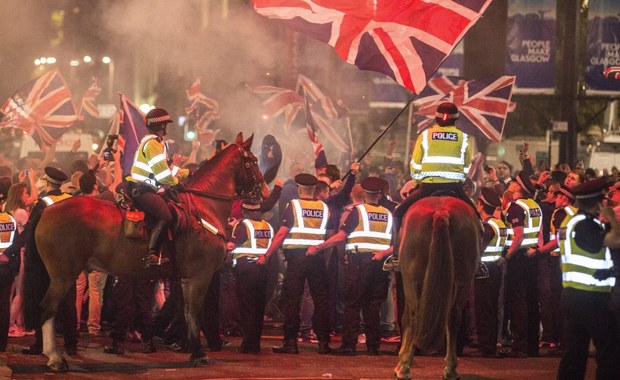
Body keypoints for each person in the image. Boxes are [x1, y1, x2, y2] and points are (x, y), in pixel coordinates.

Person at [308, 177, 392, 355]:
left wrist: (319, 246)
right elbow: (395, 242)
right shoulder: (388, 213)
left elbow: (341, 236)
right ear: (379, 194)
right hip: (381, 264)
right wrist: (383, 254)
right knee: (373, 305)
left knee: (352, 304)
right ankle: (373, 346)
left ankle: (349, 345)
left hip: (359, 263)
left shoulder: (358, 211)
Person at [556, 177, 618, 379]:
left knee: (574, 353)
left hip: (572, 293)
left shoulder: (570, 222)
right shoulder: (585, 225)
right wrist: (613, 219)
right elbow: (616, 241)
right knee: (610, 351)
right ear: (600, 202)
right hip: (591, 297)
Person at [267, 173, 334, 355]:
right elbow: (327, 233)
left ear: (299, 189)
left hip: (297, 258)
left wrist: (268, 253)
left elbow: (281, 233)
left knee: (293, 300)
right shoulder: (324, 207)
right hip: (317, 257)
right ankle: (323, 343)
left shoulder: (294, 206)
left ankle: (290, 342)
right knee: (321, 300)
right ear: (313, 190)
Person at [21, 167, 77, 356]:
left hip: (47, 260)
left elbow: (32, 232)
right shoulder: (71, 201)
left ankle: (40, 342)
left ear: (46, 182)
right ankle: (71, 344)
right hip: (70, 258)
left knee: (44, 299)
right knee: (68, 302)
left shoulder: (43, 202)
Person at [127, 108, 188, 267]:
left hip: (147, 188)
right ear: (162, 126)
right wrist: (176, 182)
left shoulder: (158, 144)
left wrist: (184, 173)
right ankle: (151, 254)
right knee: (165, 216)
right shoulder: (153, 144)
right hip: (142, 189)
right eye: (166, 124)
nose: (167, 128)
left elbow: (166, 168)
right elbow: (162, 176)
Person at [499, 171, 542, 358]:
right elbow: (539, 233)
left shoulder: (515, 207)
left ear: (518, 187)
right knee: (532, 301)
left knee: (518, 302)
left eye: (514, 182)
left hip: (518, 258)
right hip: (532, 256)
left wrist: (507, 256)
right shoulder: (534, 206)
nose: (511, 184)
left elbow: (518, 235)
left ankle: (519, 346)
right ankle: (532, 346)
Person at [227, 199, 275, 353]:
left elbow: (232, 246)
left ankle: (248, 345)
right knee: (259, 308)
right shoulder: (268, 226)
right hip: (264, 270)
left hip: (247, 270)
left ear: (244, 212)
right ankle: (256, 343)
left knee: (247, 308)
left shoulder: (243, 226)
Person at [470, 187, 507, 357]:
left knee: (483, 309)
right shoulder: (500, 224)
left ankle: (485, 347)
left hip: (483, 272)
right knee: (492, 308)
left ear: (482, 205)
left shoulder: (486, 227)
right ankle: (490, 344)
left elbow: (478, 249)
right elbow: (506, 245)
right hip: (496, 269)